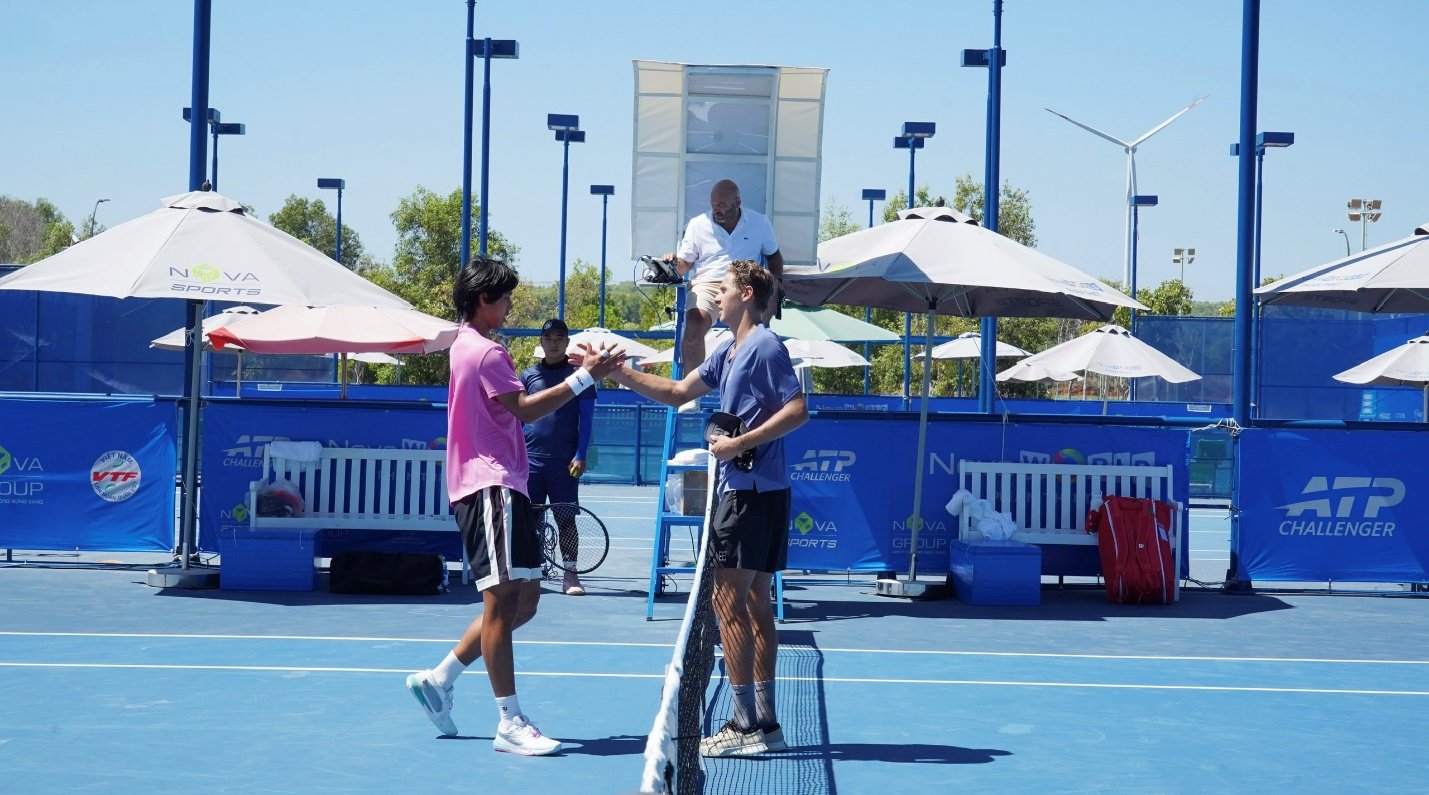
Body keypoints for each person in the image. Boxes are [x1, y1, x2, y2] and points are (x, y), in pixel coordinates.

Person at [405, 256, 625, 756]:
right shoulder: (486, 352)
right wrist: (584, 377)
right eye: (504, 298)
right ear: (483, 299)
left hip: (508, 485)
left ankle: (440, 679)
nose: (508, 306)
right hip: (490, 485)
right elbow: (526, 410)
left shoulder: (470, 345)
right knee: (502, 603)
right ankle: (510, 721)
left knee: (524, 601)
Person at [608, 259, 808, 757]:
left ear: (746, 294)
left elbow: (797, 409)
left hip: (750, 494)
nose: (715, 296)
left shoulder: (764, 345)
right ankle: (766, 724)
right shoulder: (729, 350)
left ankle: (743, 726)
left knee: (729, 605)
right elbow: (678, 392)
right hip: (757, 492)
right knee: (755, 605)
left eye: (723, 289)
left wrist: (740, 444)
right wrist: (619, 373)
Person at [666, 179, 783, 371]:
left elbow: (774, 256)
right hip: (708, 283)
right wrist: (673, 264)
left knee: (767, 298)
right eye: (712, 204)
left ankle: (753, 366)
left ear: (737, 202)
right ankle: (691, 385)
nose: (715, 210)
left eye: (721, 205)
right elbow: (684, 265)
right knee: (694, 324)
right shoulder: (697, 224)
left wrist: (777, 280)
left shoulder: (760, 222)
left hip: (745, 282)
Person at [520, 317, 596, 596]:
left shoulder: (580, 376)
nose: (553, 344)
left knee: (566, 520)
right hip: (529, 461)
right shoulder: (527, 376)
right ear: (541, 342)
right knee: (527, 521)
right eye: (548, 339)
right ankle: (527, 575)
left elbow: (586, 420)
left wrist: (580, 454)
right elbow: (517, 417)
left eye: (559, 339)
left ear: (567, 342)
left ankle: (571, 576)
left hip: (564, 463)